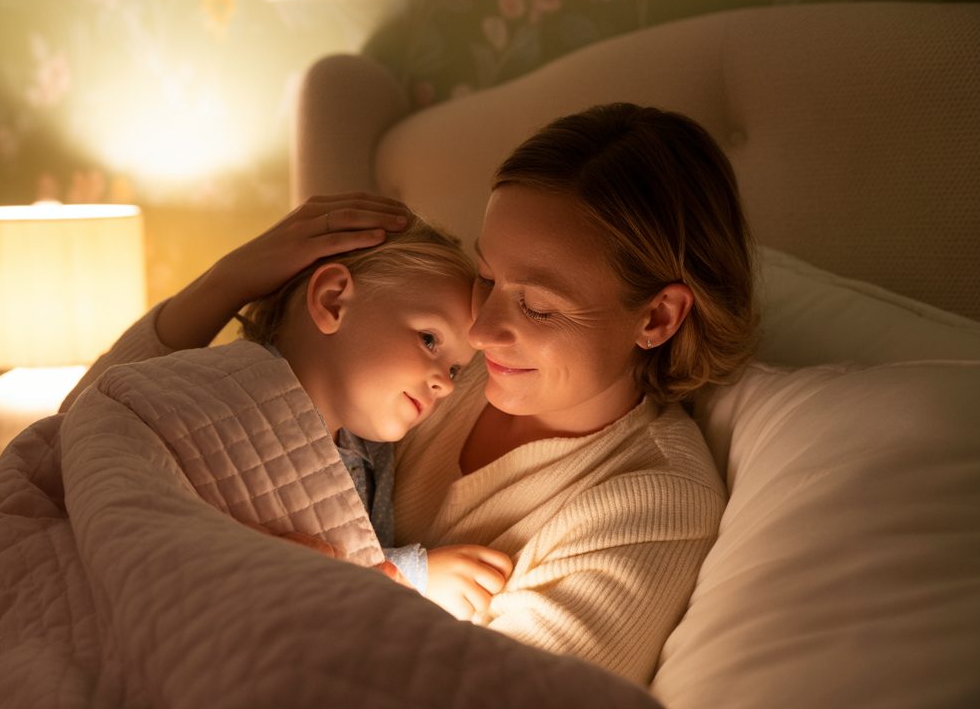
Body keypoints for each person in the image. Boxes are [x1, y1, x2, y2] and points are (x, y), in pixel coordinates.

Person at [69, 103, 756, 685]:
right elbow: (88, 432)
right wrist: (228, 281)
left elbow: (496, 697)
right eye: (487, 278)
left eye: (538, 308)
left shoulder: (650, 499)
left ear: (658, 318)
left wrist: (308, 578)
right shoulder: (421, 352)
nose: (482, 330)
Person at [64, 211, 514, 612]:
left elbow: (347, 550)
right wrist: (418, 576)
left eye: (456, 368)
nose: (447, 383)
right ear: (333, 300)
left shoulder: (369, 452)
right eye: (429, 340)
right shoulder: (223, 394)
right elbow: (87, 441)